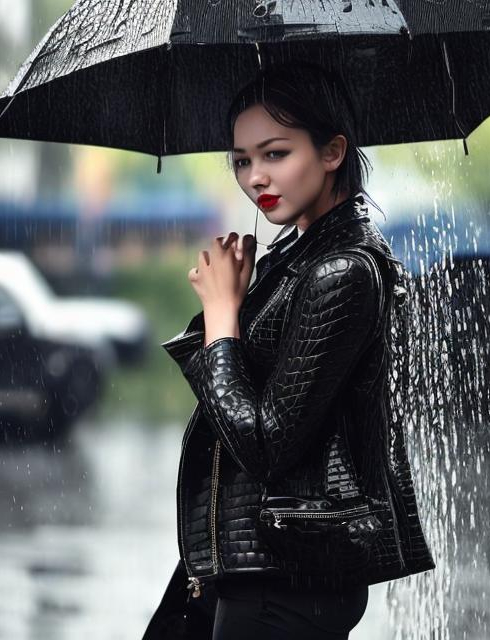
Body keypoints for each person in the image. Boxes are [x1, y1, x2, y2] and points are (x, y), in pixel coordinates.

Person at [142, 61, 435, 640]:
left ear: (332, 152)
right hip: (250, 561)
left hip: (288, 576)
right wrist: (240, 300)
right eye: (242, 160)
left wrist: (224, 320)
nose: (255, 177)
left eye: (275, 154)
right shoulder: (297, 261)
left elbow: (266, 443)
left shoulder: (342, 271)